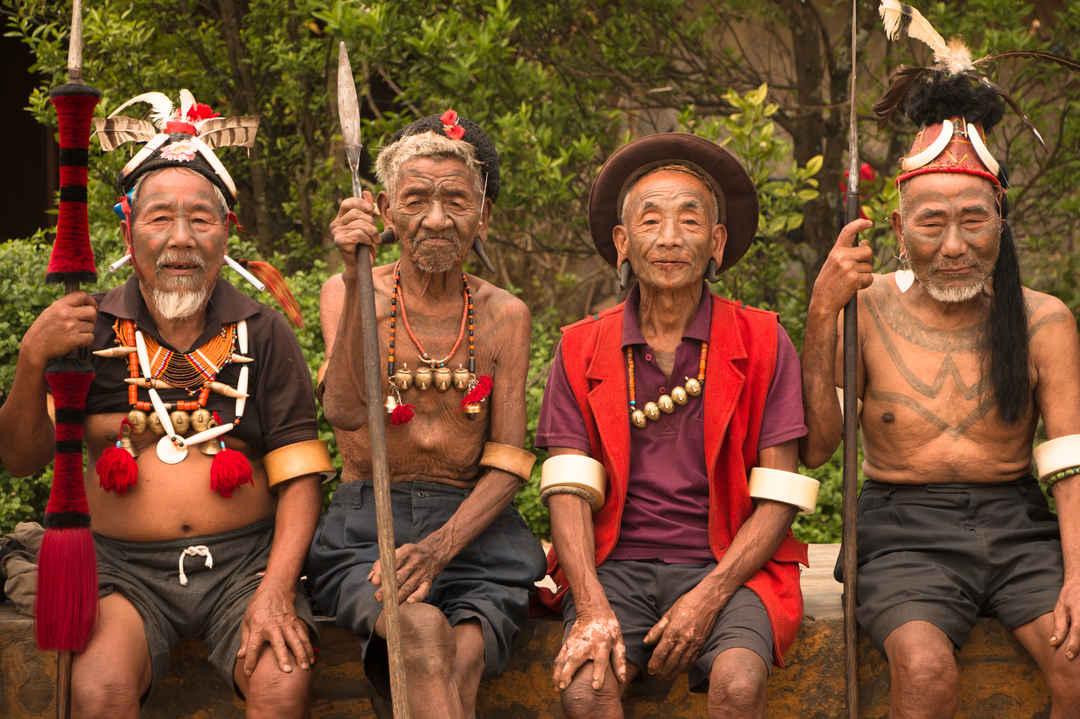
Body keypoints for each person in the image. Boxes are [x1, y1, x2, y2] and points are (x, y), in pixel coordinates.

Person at [0, 90, 334, 718]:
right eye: (159, 218)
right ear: (128, 227)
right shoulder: (85, 329)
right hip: (120, 572)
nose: (181, 238)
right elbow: (21, 461)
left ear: (226, 231)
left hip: (244, 567)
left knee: (281, 683)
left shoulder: (262, 332)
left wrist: (276, 591)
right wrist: (31, 359)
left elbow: (300, 482)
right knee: (98, 693)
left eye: (200, 219)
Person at [801, 52, 1080, 717]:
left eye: (973, 220)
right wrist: (820, 311)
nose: (953, 245)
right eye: (931, 223)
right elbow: (817, 446)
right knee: (925, 670)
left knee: (1075, 657)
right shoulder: (864, 310)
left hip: (1020, 527)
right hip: (903, 532)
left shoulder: (1043, 320)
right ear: (900, 229)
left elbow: (1070, 463)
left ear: (1001, 220)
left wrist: (1078, 573)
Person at [535, 133, 818, 719]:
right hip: (615, 566)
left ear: (715, 243)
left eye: (689, 221)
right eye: (650, 221)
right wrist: (590, 606)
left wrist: (707, 597)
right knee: (586, 692)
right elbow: (566, 492)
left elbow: (778, 498)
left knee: (738, 686)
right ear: (622, 243)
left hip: (732, 565)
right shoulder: (580, 348)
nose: (668, 239)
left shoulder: (763, 340)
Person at [307, 110, 546, 719]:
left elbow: (510, 460)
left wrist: (441, 547)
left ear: (482, 216)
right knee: (418, 635)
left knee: (461, 658)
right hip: (369, 524)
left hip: (475, 531)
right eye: (416, 200)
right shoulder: (347, 290)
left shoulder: (505, 315)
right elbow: (342, 409)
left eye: (457, 201)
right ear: (386, 212)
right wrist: (356, 277)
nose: (437, 219)